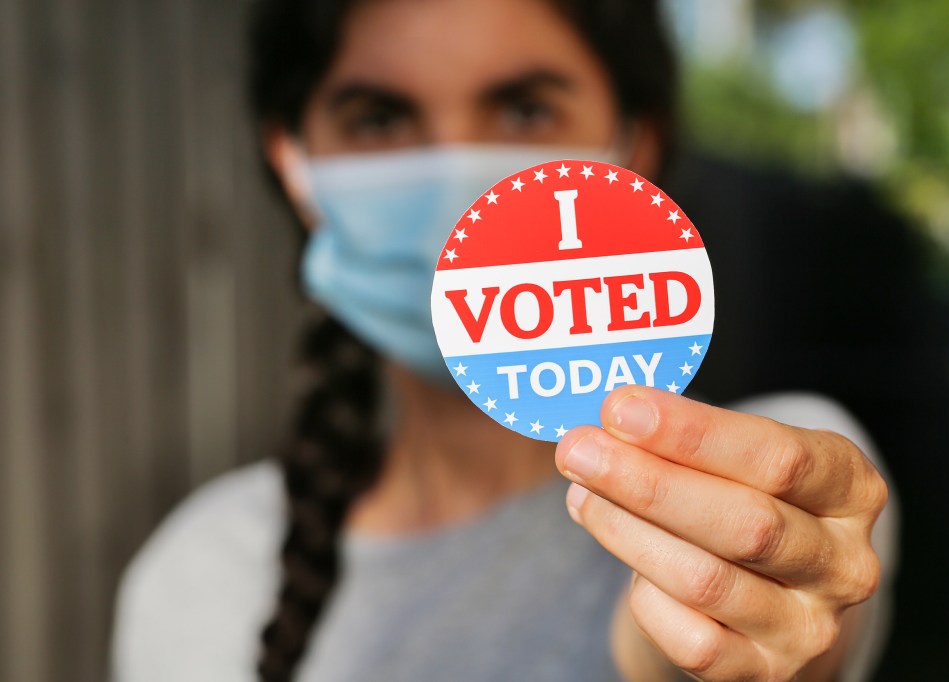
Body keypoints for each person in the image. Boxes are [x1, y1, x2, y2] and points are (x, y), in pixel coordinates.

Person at [112, 1, 896, 680]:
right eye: (380, 118)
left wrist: (713, 641)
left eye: (524, 110)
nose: (459, 181)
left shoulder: (769, 481)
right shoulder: (202, 573)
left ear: (634, 146)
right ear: (295, 163)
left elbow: (787, 629)